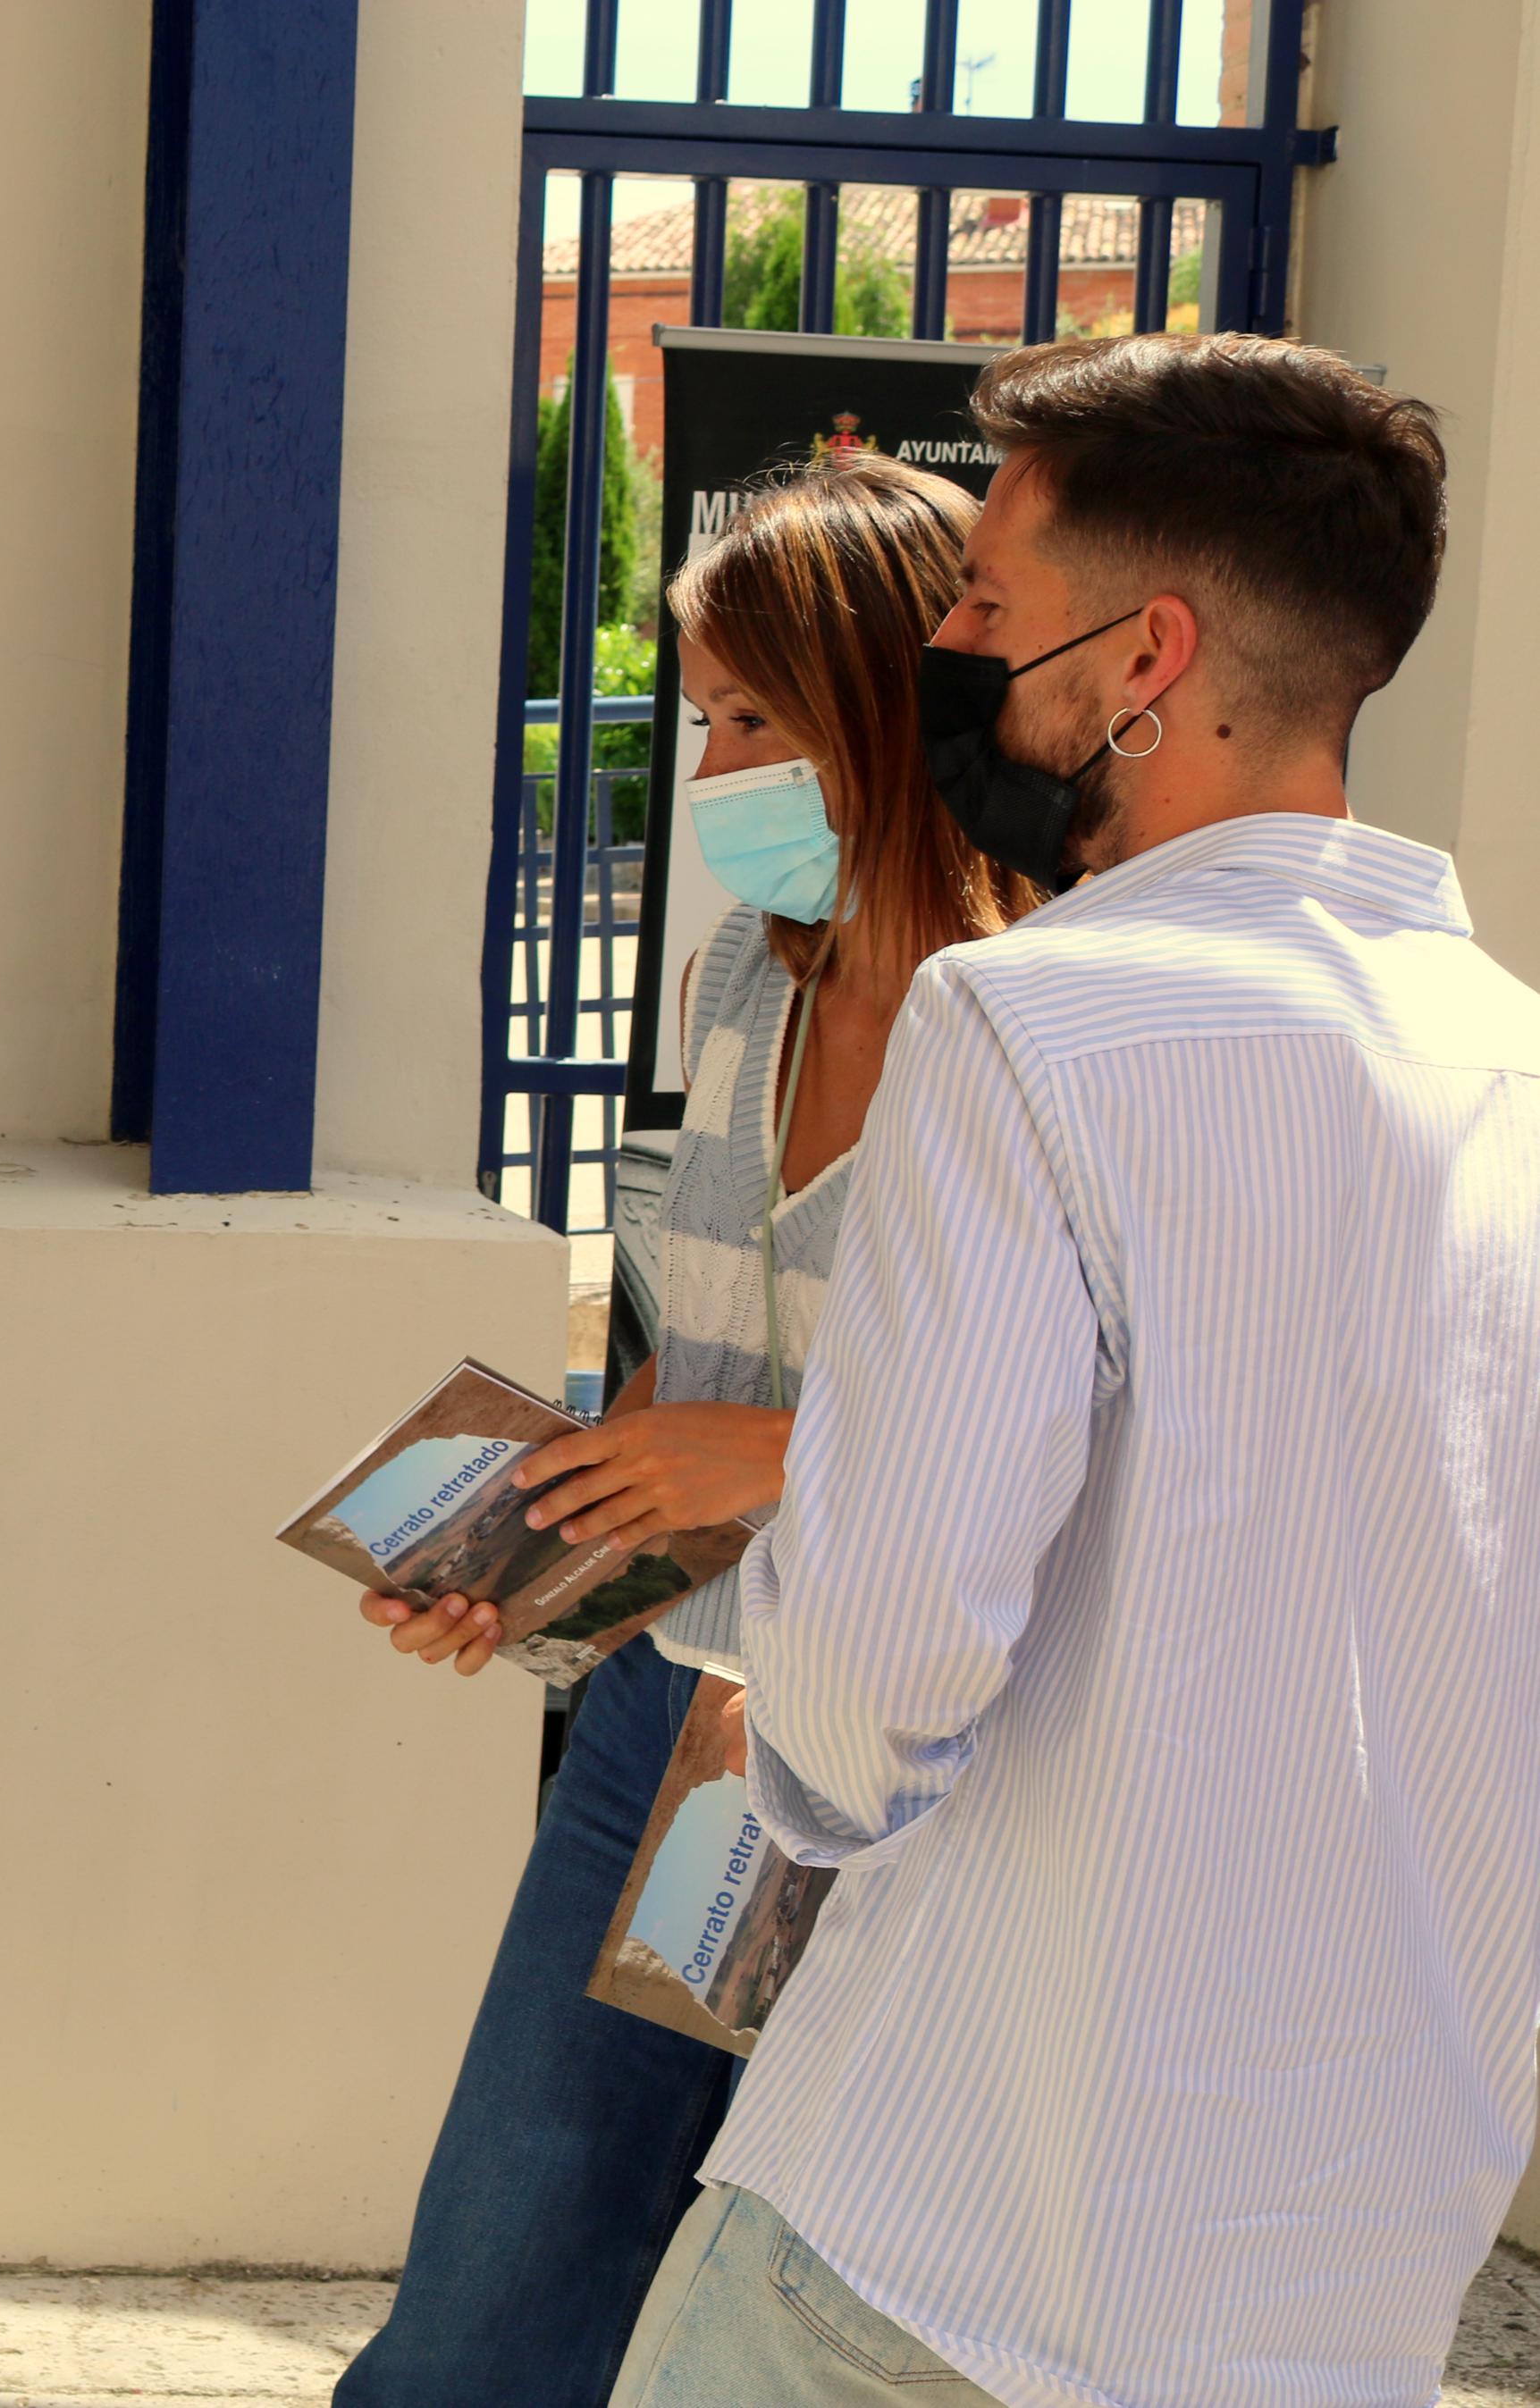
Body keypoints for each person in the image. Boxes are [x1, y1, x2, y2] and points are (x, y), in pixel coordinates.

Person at [610, 332, 1540, 2408]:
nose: (953, 651)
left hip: (958, 2204)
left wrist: (804, 1767)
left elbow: (873, 1670)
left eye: (984, 610)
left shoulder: (1031, 1028)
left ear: (1150, 656)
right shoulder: (1513, 1065)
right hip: (1351, 2254)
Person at [332, 451, 1039, 2408]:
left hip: (906, 1785)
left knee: (795, 2340)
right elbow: (684, 1374)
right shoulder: (745, 974)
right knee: (484, 2316)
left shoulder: (1041, 1034)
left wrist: (779, 1463)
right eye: (702, 715)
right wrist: (531, 1554)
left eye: (752, 719)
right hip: (672, 1727)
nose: (713, 770)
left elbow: (1092, 1449)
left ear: (887, 712)